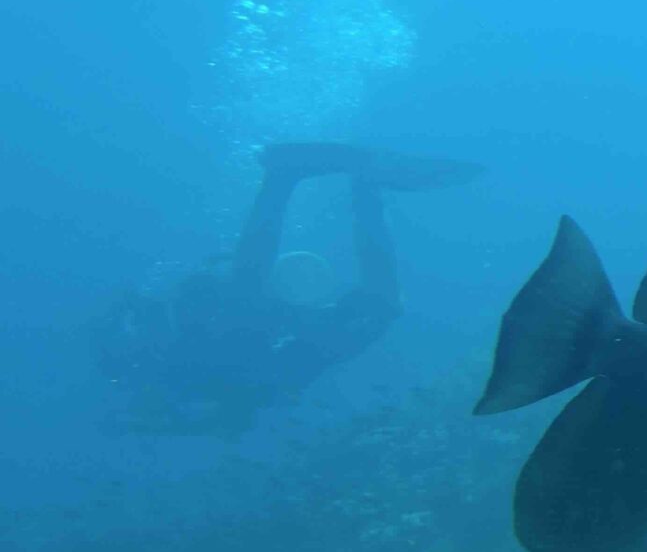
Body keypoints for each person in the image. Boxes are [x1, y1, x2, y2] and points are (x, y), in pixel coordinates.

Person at [96, 142, 480, 433]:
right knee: (381, 310)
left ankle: (282, 175)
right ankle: (366, 191)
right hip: (272, 356)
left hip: (244, 331)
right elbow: (233, 410)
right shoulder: (175, 391)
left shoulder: (145, 356)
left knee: (246, 295)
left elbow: (171, 314)